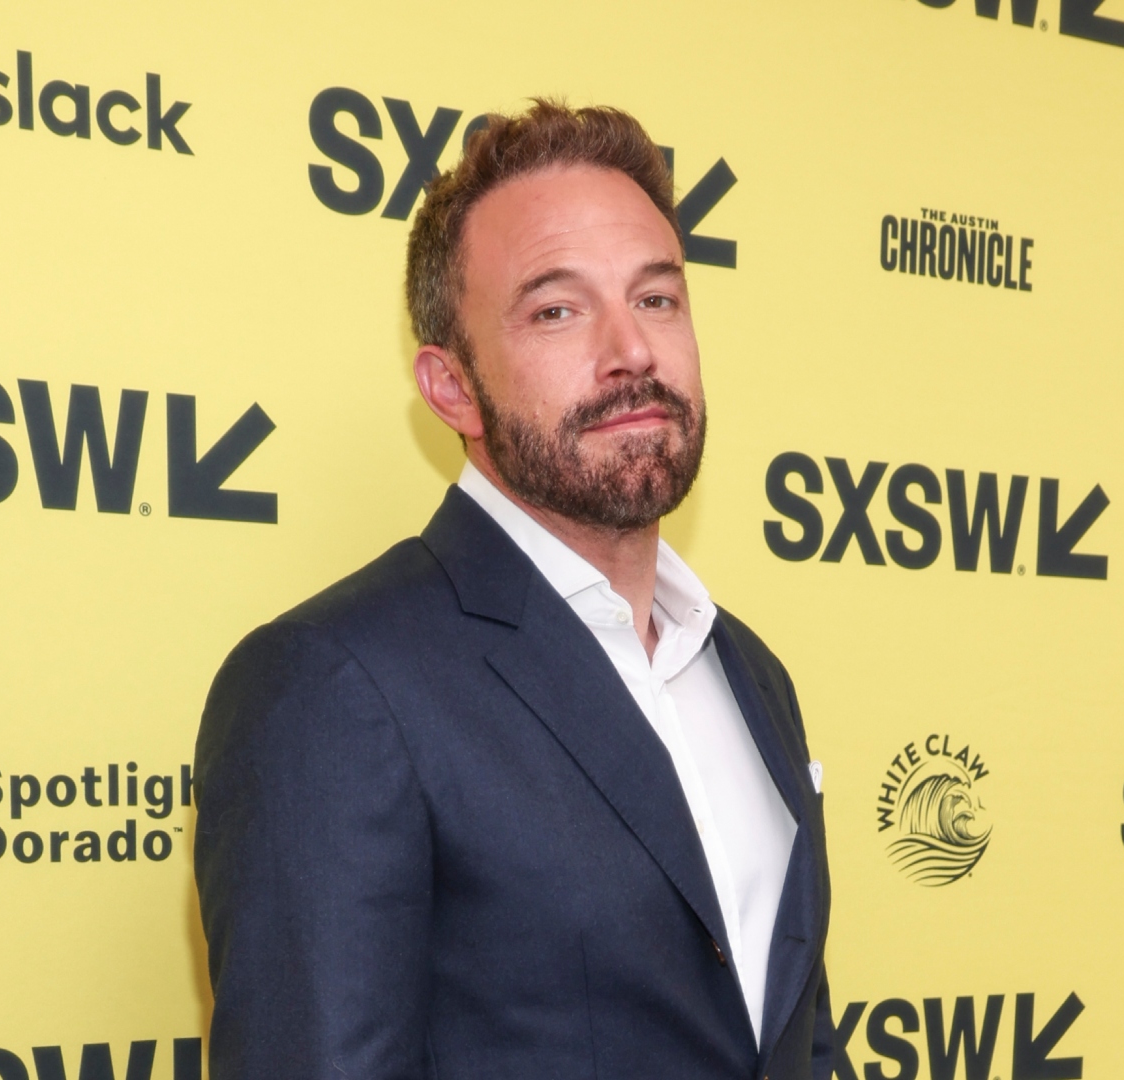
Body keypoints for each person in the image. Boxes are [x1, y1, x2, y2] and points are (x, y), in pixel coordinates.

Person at [194, 99, 833, 1080]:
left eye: (657, 299)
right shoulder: (333, 688)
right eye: (557, 310)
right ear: (452, 387)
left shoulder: (755, 678)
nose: (632, 351)